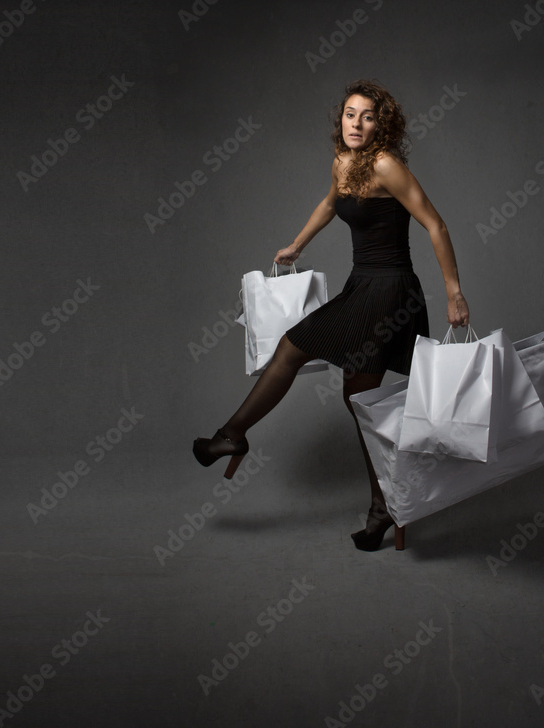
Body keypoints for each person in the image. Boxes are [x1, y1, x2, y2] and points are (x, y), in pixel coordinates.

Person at [193, 79, 470, 551]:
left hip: (390, 291)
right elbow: (330, 202)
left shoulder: (386, 165)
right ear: (339, 119)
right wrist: (298, 244)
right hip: (361, 286)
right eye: (349, 114)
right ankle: (384, 506)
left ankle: (232, 435)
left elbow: (435, 223)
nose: (356, 123)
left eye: (367, 116)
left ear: (381, 124)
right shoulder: (344, 161)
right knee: (357, 400)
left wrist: (455, 293)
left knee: (295, 347)